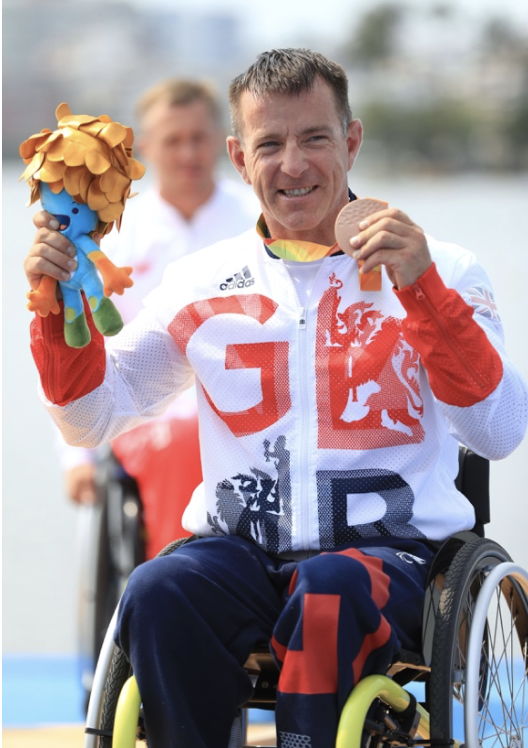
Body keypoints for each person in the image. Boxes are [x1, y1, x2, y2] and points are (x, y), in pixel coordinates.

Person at [24, 48, 528, 748]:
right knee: (155, 590)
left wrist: (424, 294)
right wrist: (57, 310)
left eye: (314, 139)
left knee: (326, 591)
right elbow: (89, 418)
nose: (292, 165)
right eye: (270, 144)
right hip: (242, 556)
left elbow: (500, 428)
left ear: (350, 142)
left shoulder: (441, 266)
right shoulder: (201, 281)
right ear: (239, 156)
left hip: (392, 563)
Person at [58, 78, 259, 558]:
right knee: (187, 440)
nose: (188, 153)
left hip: (252, 410)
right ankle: (184, 593)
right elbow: (74, 341)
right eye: (173, 140)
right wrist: (75, 457)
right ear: (145, 148)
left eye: (198, 137)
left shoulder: (258, 218)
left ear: (222, 141)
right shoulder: (113, 237)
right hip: (147, 419)